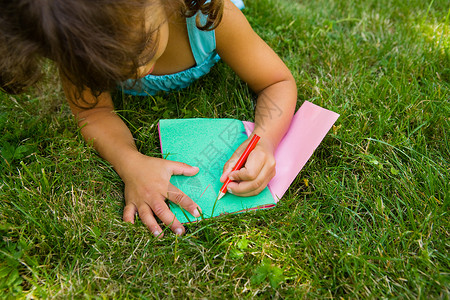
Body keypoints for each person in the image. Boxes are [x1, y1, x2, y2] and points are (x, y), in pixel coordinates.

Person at [0, 0, 297, 237]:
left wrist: (265, 140)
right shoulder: (75, 34)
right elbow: (93, 111)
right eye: (110, 66)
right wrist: (131, 162)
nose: (136, 71)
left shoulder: (212, 19)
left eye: (141, 45)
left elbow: (276, 83)